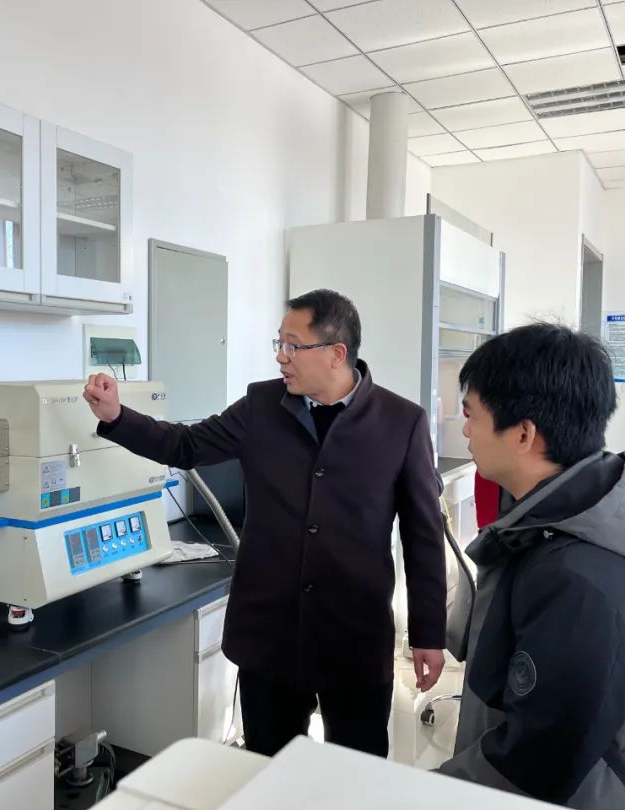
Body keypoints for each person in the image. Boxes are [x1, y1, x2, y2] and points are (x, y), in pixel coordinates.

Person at [83, 288, 447, 759]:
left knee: (356, 772)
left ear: (337, 354)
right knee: (266, 767)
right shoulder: (261, 406)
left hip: (353, 637)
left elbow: (422, 535)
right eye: (279, 343)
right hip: (270, 637)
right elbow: (186, 446)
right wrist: (116, 417)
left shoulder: (402, 422)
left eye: (293, 345)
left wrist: (428, 633)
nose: (281, 356)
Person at [436, 323, 625, 808]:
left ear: (523, 434)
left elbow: (536, 761)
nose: (465, 431)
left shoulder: (579, 577)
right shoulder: (572, 519)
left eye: (471, 415)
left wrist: (427, 792)